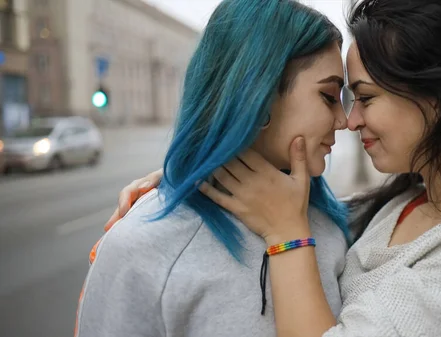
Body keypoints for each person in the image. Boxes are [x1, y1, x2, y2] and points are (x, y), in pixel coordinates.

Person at [110, 0, 441, 336]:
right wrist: (195, 174)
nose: (350, 121)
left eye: (363, 97)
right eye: (336, 97)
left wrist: (286, 233)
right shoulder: (408, 203)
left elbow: (288, 217)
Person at [74, 1, 351, 336]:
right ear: (257, 94)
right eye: (328, 96)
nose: (343, 120)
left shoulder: (334, 227)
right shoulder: (140, 247)